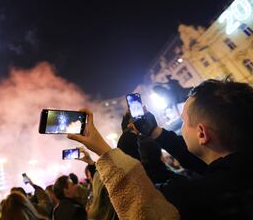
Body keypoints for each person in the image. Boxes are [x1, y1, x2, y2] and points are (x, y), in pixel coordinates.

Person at [69, 79, 253, 219]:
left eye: (184, 121)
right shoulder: (238, 172)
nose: (181, 127)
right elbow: (202, 162)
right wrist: (155, 132)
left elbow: (138, 207)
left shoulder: (192, 197)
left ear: (202, 134)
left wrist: (107, 150)